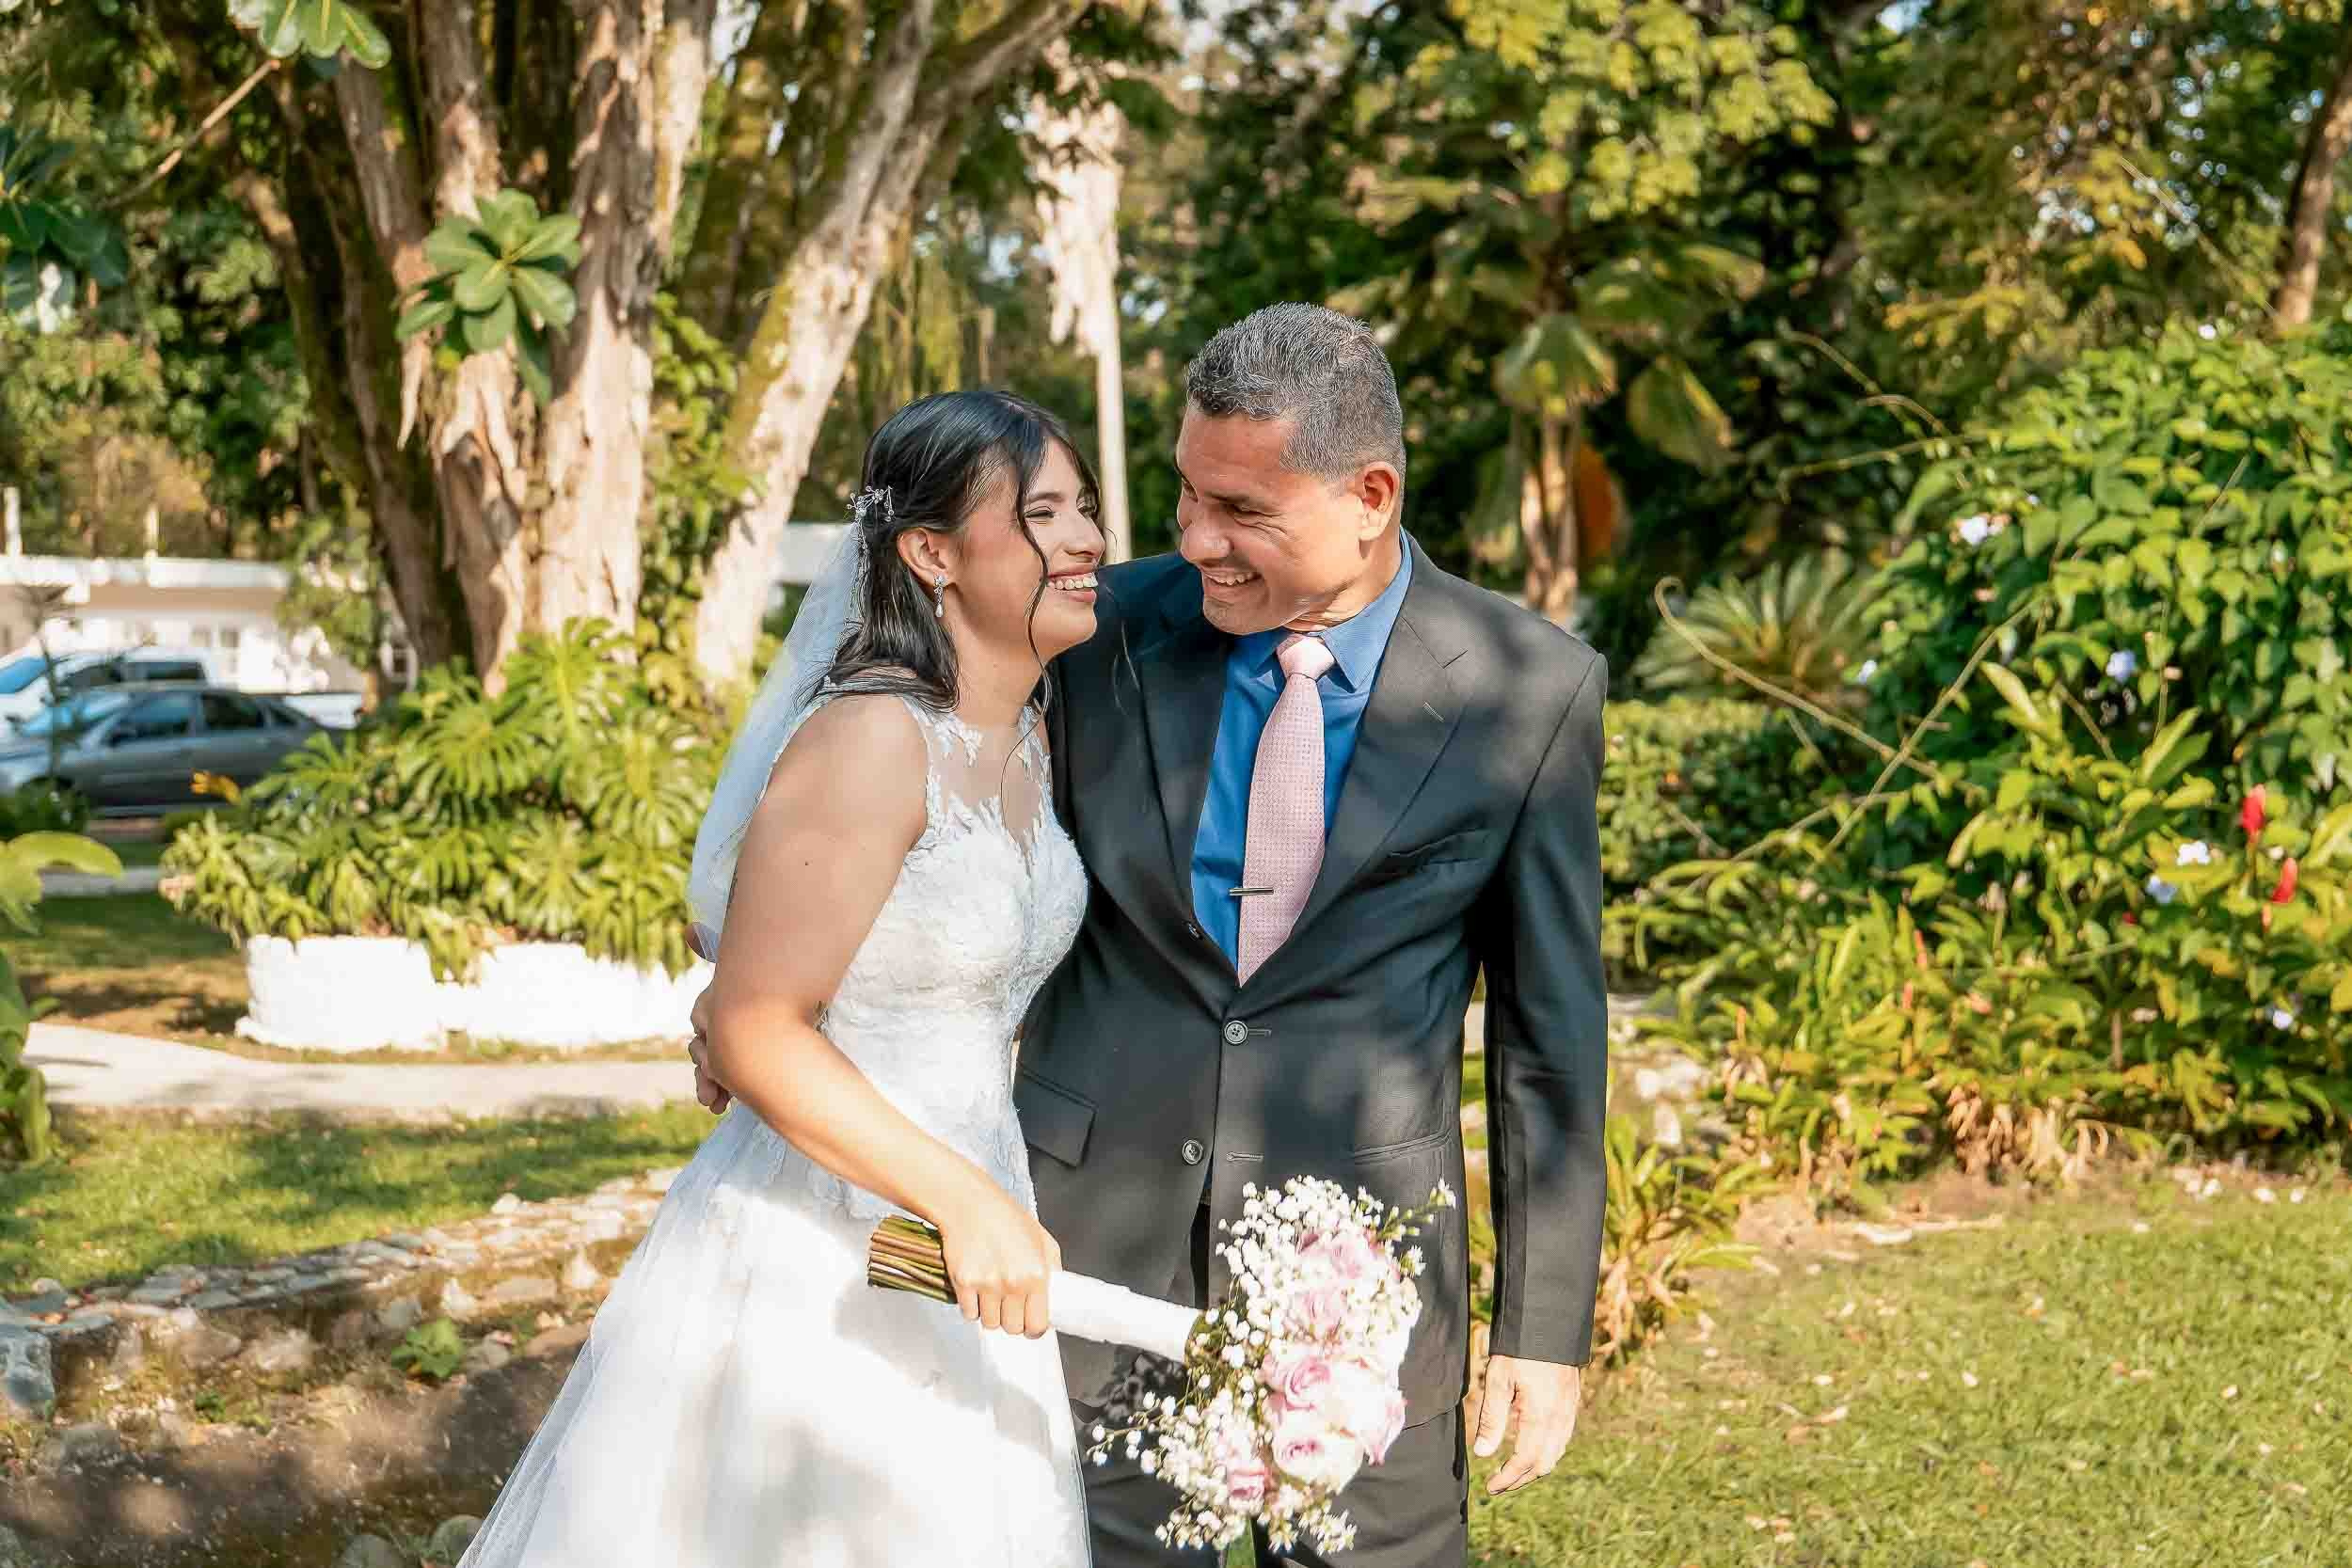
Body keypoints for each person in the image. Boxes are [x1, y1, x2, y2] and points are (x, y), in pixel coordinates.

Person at [692, 303, 1612, 1567]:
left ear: (1372, 496)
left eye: (1243, 512)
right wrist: (742, 1001)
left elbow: (1549, 1037)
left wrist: (1545, 1329)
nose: (1194, 540)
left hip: (1363, 1283)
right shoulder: (1090, 628)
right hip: (1077, 1252)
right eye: (1187, 492)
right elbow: (889, 795)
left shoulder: (1534, 688)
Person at [460, 389, 1107, 1568]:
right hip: (825, 1238)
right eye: (1044, 513)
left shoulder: (1029, 734)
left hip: (973, 1211)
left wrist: (979, 1202)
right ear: (930, 552)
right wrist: (961, 1200)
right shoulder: (871, 737)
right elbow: (759, 1028)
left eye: (1086, 508)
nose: (1087, 541)